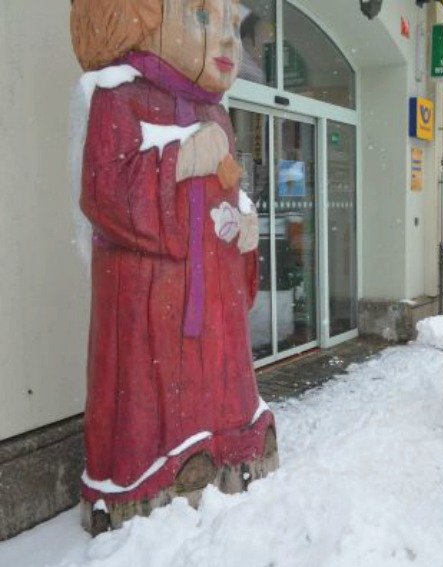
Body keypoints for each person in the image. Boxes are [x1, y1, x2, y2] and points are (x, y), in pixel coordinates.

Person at [70, 0, 277, 533]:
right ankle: (145, 492)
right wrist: (179, 159)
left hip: (216, 303)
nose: (228, 40)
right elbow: (103, 193)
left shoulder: (218, 115)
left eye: (234, 24)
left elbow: (225, 197)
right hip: (147, 301)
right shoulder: (119, 97)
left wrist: (244, 230)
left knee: (221, 379)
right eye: (204, 18)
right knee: (149, 394)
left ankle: (228, 445)